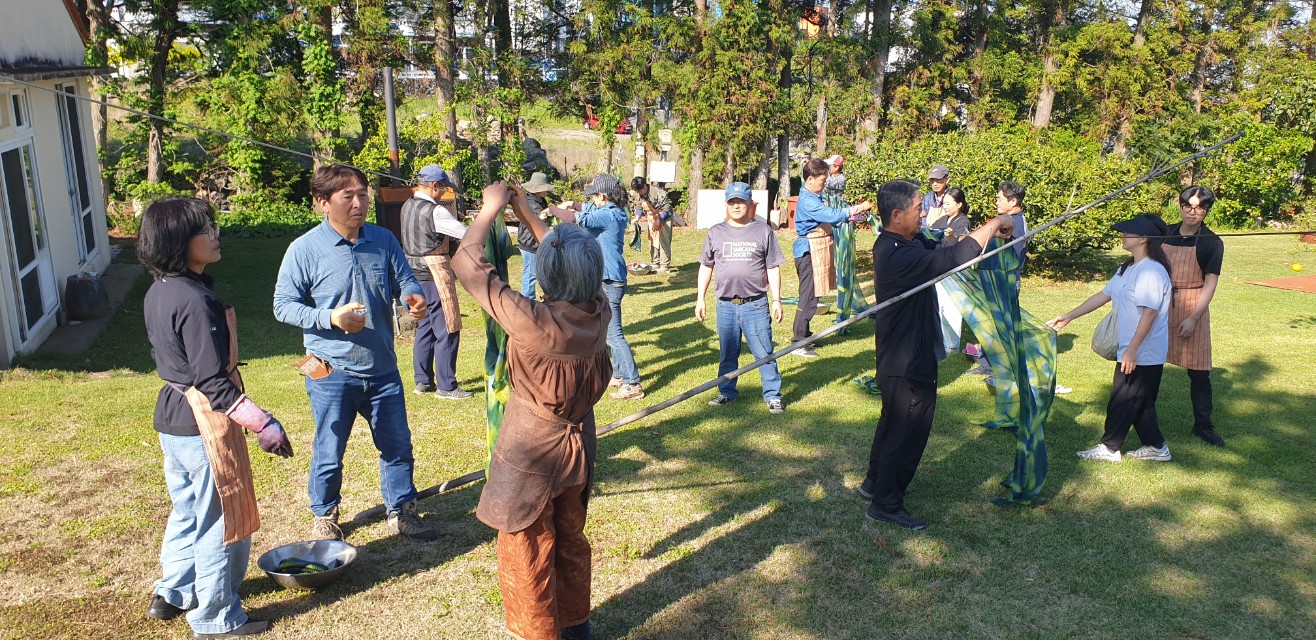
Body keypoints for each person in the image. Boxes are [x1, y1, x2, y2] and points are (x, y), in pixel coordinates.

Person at [453, 181, 610, 640]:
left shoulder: (534, 322)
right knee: (570, 540)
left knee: (526, 550)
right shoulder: (598, 312)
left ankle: (539, 633)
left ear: (548, 274)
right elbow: (568, 264)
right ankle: (577, 628)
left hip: (532, 451)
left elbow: (469, 262)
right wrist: (526, 213)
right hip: (579, 446)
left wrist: (488, 210)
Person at [140, 197, 292, 639]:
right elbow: (212, 382)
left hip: (172, 419)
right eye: (205, 230)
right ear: (178, 241)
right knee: (220, 519)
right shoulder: (194, 300)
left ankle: (172, 591)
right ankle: (215, 619)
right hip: (202, 421)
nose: (215, 236)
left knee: (187, 511)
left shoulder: (161, 288)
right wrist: (262, 423)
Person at [273, 164, 437, 542]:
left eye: (362, 194)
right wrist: (331, 317)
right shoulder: (304, 250)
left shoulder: (383, 239)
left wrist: (412, 295)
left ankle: (403, 511)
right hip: (331, 371)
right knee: (329, 449)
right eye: (347, 196)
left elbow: (405, 279)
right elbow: (283, 306)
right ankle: (325, 516)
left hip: (381, 368)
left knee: (396, 444)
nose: (358, 202)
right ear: (321, 203)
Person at [859, 179, 1014, 530]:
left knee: (892, 424)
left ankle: (874, 483)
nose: (924, 211)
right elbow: (952, 259)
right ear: (896, 215)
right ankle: (887, 503)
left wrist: (982, 233)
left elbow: (946, 246)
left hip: (899, 357)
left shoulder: (899, 243)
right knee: (908, 431)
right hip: (908, 361)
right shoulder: (899, 253)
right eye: (918, 209)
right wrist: (991, 224)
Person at [1047, 214, 1174, 463]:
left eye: (1129, 232)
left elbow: (1149, 313)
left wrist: (1132, 350)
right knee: (1140, 401)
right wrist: (1069, 316)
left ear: (1144, 238)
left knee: (1123, 397)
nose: (1123, 236)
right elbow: (1104, 295)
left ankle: (1109, 447)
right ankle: (1157, 447)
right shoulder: (1127, 267)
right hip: (1130, 346)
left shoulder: (1151, 271)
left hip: (1143, 350)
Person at [694, 182, 787, 414]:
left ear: (749, 204)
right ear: (727, 204)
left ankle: (773, 395)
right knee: (728, 352)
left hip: (755, 305)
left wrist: (777, 300)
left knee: (764, 352)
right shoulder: (715, 232)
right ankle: (726, 391)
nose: (736, 206)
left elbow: (773, 267)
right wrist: (700, 299)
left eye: (740, 202)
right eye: (732, 202)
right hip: (725, 305)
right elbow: (706, 266)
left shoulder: (763, 231)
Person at [551, 174, 644, 399]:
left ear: (602, 196)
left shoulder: (609, 214)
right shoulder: (611, 210)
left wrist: (552, 209)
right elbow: (585, 209)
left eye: (593, 196)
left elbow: (576, 219)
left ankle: (633, 383)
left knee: (614, 334)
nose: (591, 200)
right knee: (609, 329)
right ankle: (620, 374)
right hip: (609, 279)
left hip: (610, 281)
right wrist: (574, 203)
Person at [399, 164, 473, 400]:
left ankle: (422, 381)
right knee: (448, 327)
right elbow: (466, 234)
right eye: (443, 189)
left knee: (426, 327)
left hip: (412, 272)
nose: (443, 194)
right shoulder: (436, 212)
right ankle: (447, 386)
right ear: (434, 186)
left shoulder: (406, 206)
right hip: (434, 272)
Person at [791, 157, 873, 358]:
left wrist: (848, 218)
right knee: (808, 296)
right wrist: (857, 208)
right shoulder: (808, 200)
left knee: (815, 293)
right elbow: (830, 214)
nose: (824, 182)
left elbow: (830, 218)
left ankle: (806, 336)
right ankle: (798, 342)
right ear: (810, 179)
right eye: (821, 179)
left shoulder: (814, 196)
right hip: (808, 252)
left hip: (817, 248)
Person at [1165, 186, 1226, 447]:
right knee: (1148, 366)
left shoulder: (1212, 242)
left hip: (1193, 305)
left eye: (1199, 207)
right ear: (1180, 206)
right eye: (1188, 206)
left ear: (1206, 210)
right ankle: (1139, 415)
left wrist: (1194, 317)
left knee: (1199, 372)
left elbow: (1210, 283)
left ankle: (1203, 426)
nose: (1193, 212)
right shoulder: (1163, 233)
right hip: (1161, 303)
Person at [930, 188, 973, 356]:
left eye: (948, 204)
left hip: (954, 271)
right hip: (940, 269)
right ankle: (943, 341)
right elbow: (931, 232)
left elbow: (960, 243)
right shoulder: (943, 220)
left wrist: (951, 237)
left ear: (959, 204)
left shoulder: (963, 222)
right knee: (940, 307)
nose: (945, 207)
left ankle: (953, 345)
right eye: (944, 203)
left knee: (951, 308)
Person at [517, 171, 556, 298]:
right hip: (529, 243)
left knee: (538, 273)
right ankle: (528, 304)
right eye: (544, 188)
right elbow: (537, 218)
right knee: (530, 276)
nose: (546, 191)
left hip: (536, 243)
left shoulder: (540, 200)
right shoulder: (530, 201)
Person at [630, 176, 675, 273]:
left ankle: (664, 265)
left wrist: (659, 221)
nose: (638, 193)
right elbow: (638, 206)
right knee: (653, 240)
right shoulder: (639, 194)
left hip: (665, 216)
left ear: (644, 187)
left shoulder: (658, 192)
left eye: (639, 191)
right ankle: (655, 262)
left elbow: (666, 208)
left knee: (664, 240)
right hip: (652, 217)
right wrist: (637, 217)